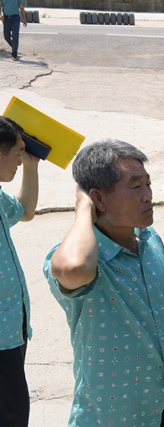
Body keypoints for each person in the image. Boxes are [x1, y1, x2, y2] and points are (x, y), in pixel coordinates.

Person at [43, 139, 164, 427]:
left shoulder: (151, 241)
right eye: (136, 187)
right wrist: (83, 210)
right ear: (98, 199)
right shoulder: (81, 257)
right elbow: (74, 268)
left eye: (148, 185)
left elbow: (161, 315)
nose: (148, 196)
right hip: (111, 419)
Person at [0, 116, 40, 427]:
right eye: (17, 151)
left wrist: (31, 166)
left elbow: (24, 210)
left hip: (11, 327)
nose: (19, 158)